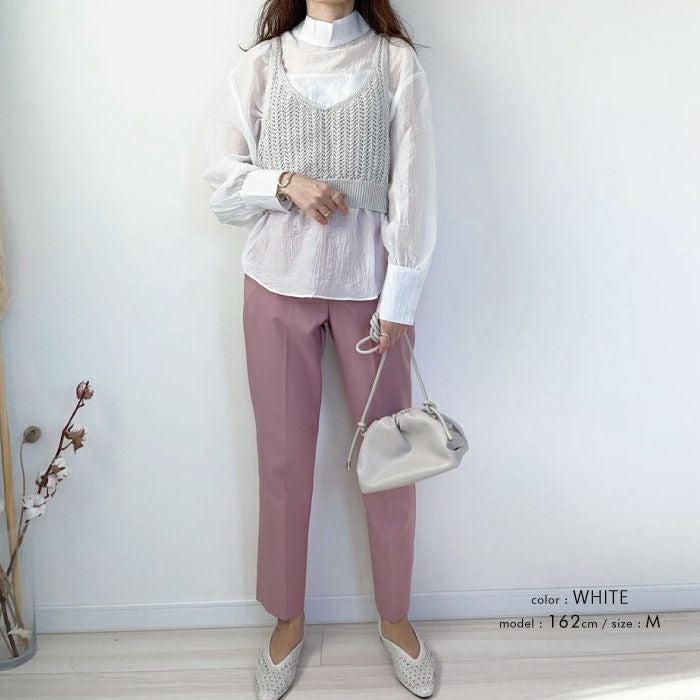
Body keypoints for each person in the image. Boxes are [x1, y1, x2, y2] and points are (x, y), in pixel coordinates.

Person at [203, 1, 437, 697]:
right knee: (281, 461)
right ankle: (287, 618)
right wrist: (284, 183)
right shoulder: (262, 64)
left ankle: (395, 616)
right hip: (275, 285)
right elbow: (221, 184)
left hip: (370, 291)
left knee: (391, 459)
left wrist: (400, 298)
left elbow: (414, 187)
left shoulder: (395, 63)